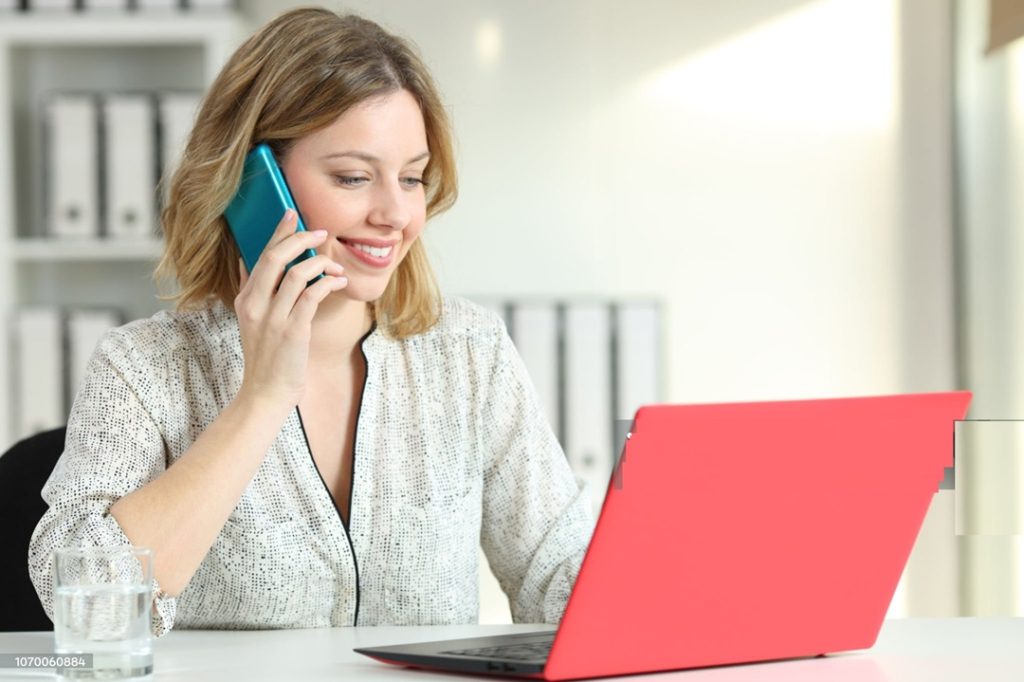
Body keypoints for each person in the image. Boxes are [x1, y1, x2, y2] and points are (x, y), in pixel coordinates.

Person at [28, 7, 593, 635]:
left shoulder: (469, 353)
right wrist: (262, 396)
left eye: (411, 178)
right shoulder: (144, 367)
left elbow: (560, 575)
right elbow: (87, 606)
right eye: (353, 177)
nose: (396, 214)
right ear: (249, 180)